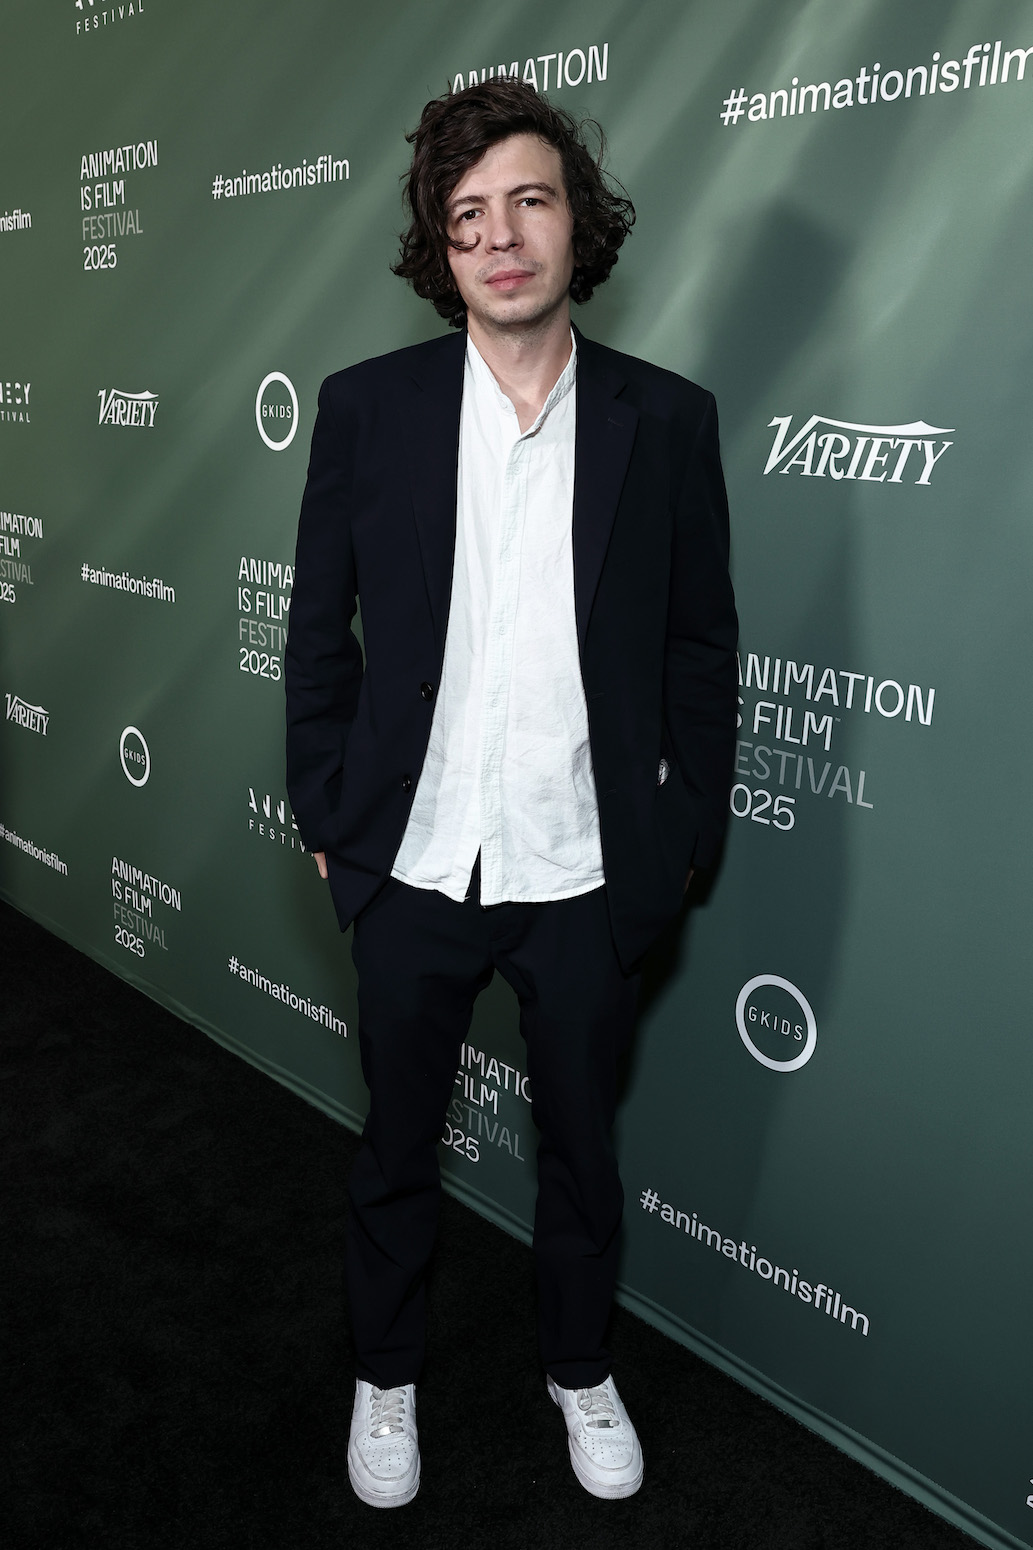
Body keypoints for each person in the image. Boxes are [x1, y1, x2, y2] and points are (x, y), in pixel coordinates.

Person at [285, 77, 738, 1509]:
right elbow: (317, 633)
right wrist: (327, 812)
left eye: (529, 201)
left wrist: (682, 834)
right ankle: (386, 1372)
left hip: (585, 866)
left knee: (582, 1154)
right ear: (441, 244)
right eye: (468, 213)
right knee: (394, 1146)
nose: (500, 236)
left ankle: (578, 1367)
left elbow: (700, 645)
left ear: (574, 223)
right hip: (413, 856)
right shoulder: (368, 409)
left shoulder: (667, 420)